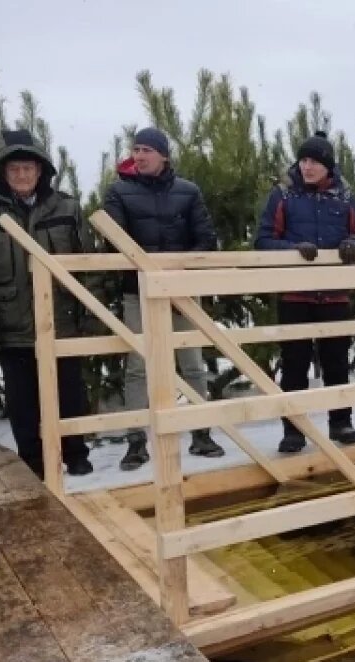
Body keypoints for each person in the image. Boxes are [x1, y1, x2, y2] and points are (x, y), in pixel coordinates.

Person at [0, 129, 94, 478]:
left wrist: (89, 316)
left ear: (40, 170)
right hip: (11, 324)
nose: (21, 175)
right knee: (23, 403)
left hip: (62, 322)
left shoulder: (67, 208)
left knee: (71, 394)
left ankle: (76, 453)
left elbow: (88, 267)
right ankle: (34, 464)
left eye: (28, 168)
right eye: (14, 168)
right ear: (2, 172)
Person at [103, 127, 225, 470]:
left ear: (164, 155)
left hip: (181, 290)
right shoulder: (118, 192)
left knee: (192, 362)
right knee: (139, 366)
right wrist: (147, 273)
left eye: (147, 150)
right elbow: (115, 241)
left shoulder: (188, 192)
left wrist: (179, 274)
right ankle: (136, 441)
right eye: (136, 149)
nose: (139, 156)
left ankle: (201, 433)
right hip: (137, 291)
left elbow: (206, 239)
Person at [254, 131, 355, 452]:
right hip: (295, 295)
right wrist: (294, 249)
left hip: (335, 294)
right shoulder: (283, 196)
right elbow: (263, 241)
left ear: (328, 166)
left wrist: (354, 244)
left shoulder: (345, 198)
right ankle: (294, 429)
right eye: (303, 160)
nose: (307, 167)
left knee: (336, 362)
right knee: (294, 365)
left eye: (315, 162)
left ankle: (341, 422)